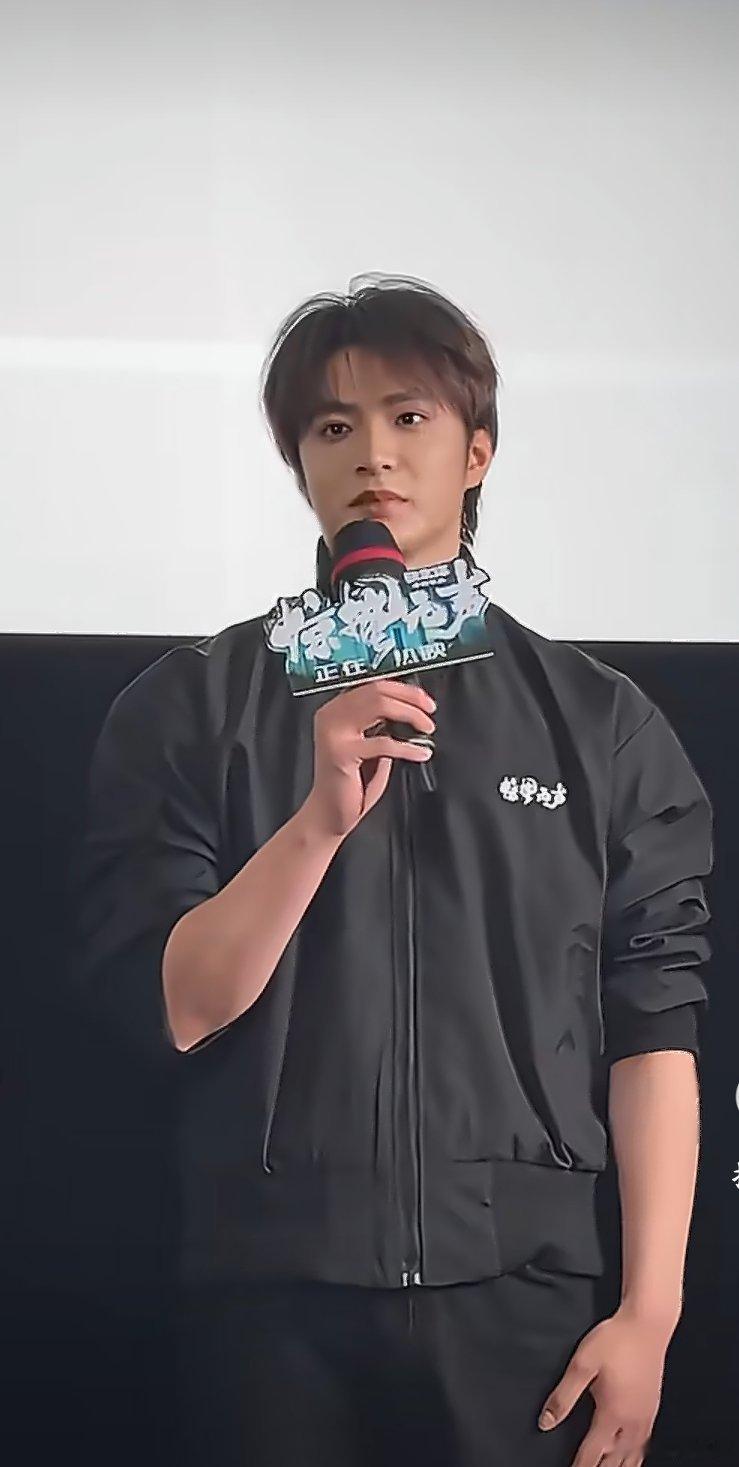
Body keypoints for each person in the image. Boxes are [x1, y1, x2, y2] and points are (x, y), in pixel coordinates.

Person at [72, 275, 713, 1466]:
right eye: (332, 425)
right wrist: (314, 824)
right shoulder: (188, 707)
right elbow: (174, 1007)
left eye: (408, 417)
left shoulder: (600, 724)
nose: (371, 453)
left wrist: (651, 1313)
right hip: (271, 1307)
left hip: (529, 1305)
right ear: (298, 462)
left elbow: (653, 1025)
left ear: (476, 452)